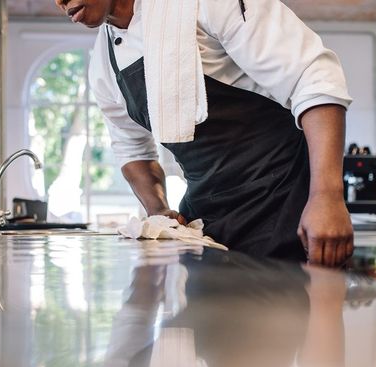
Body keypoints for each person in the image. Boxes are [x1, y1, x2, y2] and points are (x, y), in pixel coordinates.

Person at [54, 0, 354, 266]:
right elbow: (133, 151)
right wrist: (160, 212)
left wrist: (327, 196)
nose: (59, 1)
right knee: (210, 327)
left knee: (291, 325)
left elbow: (313, 78)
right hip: (206, 222)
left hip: (285, 204)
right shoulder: (102, 65)